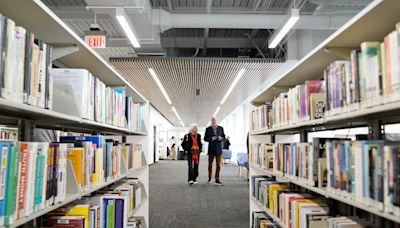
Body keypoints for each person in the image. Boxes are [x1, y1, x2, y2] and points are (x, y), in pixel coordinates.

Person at [204, 116, 225, 186]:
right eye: (212, 120)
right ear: (211, 121)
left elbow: (224, 138)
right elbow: (205, 138)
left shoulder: (221, 128)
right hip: (211, 149)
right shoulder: (208, 129)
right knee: (210, 165)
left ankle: (217, 179)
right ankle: (210, 178)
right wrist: (211, 138)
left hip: (219, 149)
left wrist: (220, 138)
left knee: (218, 165)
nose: (213, 121)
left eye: (214, 120)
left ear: (216, 121)